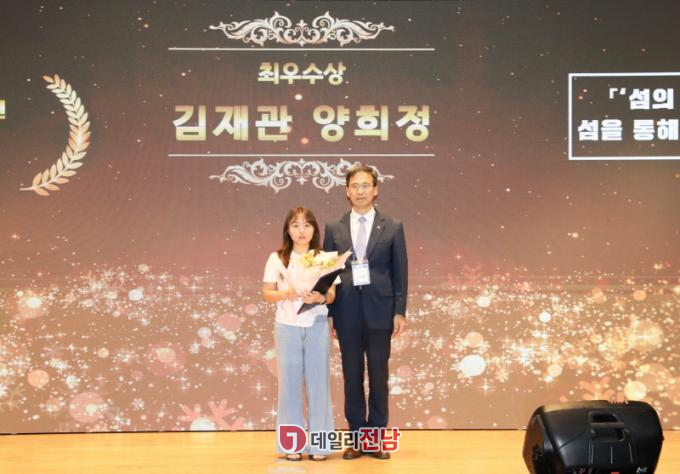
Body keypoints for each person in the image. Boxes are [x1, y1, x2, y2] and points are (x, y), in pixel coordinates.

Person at [322, 164, 408, 460]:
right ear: (347, 191)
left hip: (381, 311)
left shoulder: (393, 226)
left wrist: (399, 311)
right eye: (355, 186)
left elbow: (400, 271)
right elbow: (328, 274)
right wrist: (329, 313)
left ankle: (375, 440)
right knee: (352, 375)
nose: (360, 191)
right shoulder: (334, 228)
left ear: (375, 190)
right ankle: (357, 438)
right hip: (346, 311)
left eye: (365, 185)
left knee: (379, 376)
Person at [262, 207, 337, 461]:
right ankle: (292, 445)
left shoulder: (324, 258)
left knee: (319, 386)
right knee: (289, 386)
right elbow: (267, 293)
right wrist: (286, 293)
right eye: (296, 225)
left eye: (307, 225)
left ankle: (320, 446)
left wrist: (320, 297)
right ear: (288, 230)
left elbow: (332, 294)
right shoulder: (277, 258)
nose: (302, 230)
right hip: (287, 326)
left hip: (317, 325)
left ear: (314, 229)